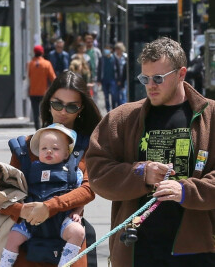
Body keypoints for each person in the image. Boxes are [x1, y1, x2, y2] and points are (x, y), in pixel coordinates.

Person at [85, 37, 215, 267]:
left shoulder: (210, 116)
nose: (150, 85)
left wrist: (186, 190)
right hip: (137, 247)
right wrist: (140, 173)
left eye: (158, 78)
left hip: (198, 248)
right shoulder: (123, 118)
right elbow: (97, 171)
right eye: (145, 78)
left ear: (181, 74)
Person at [0, 70, 102, 267]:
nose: (63, 112)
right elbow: (4, 195)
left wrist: (49, 207)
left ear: (81, 109)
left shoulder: (87, 146)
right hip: (28, 243)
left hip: (69, 238)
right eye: (57, 104)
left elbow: (89, 189)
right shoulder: (25, 147)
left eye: (72, 106)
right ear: (48, 103)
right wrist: (23, 211)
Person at [0, 123, 85, 267]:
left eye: (55, 148)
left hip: (61, 220)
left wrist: (78, 212)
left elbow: (81, 195)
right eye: (44, 148)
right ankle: (4, 264)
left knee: (78, 232)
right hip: (30, 221)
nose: (49, 151)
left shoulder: (74, 173)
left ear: (66, 154)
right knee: (13, 237)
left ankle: (65, 263)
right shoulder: (29, 169)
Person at [28, 45, 56, 130]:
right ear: (42, 52)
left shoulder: (30, 64)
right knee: (46, 113)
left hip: (33, 92)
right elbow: (53, 78)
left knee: (36, 114)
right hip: (44, 92)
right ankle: (45, 129)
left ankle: (37, 130)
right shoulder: (47, 64)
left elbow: (29, 76)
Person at [98, 44, 120, 112]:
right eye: (105, 49)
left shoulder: (114, 58)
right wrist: (99, 80)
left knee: (113, 94)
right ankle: (108, 109)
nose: (106, 50)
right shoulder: (102, 59)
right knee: (106, 95)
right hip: (104, 80)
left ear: (111, 50)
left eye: (108, 49)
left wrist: (119, 79)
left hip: (113, 80)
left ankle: (113, 108)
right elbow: (99, 69)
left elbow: (118, 69)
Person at [84, 34, 102, 104]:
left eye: (91, 42)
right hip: (86, 77)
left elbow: (100, 65)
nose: (90, 43)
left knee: (95, 93)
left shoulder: (97, 51)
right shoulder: (83, 51)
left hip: (95, 76)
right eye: (88, 42)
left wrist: (100, 79)